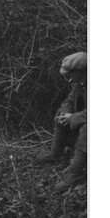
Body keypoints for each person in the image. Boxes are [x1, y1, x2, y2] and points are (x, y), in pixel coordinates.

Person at [35, 52, 87, 191]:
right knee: (61, 115)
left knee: (87, 129)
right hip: (84, 116)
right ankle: (55, 153)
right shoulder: (80, 83)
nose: (69, 78)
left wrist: (73, 117)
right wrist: (65, 113)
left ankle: (75, 174)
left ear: (80, 71)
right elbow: (70, 101)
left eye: (71, 74)